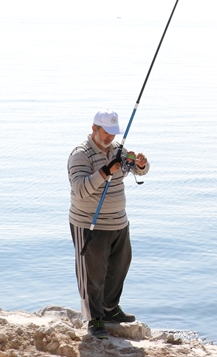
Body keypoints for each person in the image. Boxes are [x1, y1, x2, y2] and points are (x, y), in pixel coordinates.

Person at [68, 110, 150, 340]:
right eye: (106, 132)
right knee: (93, 273)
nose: (110, 138)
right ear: (94, 129)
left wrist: (141, 165)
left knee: (119, 266)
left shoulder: (118, 151)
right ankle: (95, 320)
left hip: (119, 222)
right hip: (90, 224)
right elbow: (80, 189)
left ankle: (110, 309)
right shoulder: (80, 155)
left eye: (114, 133)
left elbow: (135, 170)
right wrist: (106, 171)